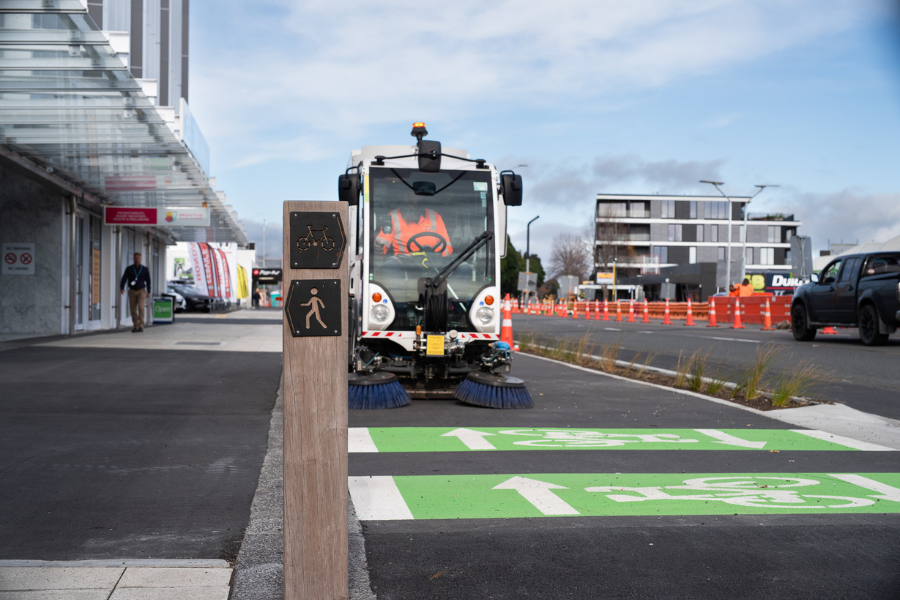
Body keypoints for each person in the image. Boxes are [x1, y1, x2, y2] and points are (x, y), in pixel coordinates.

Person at [375, 191, 453, 258]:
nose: (410, 197)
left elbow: (447, 246)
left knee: (464, 267)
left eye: (414, 194)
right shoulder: (392, 216)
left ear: (420, 197)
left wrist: (435, 257)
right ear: (401, 196)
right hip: (403, 262)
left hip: (433, 263)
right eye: (406, 193)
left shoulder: (435, 217)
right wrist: (378, 247)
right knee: (390, 265)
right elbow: (383, 240)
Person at [120, 252, 151, 332]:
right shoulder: (129, 269)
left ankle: (141, 325)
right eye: (135, 258)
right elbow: (124, 278)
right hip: (132, 291)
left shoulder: (144, 269)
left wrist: (149, 291)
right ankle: (135, 325)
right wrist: (122, 288)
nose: (136, 259)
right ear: (133, 259)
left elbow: (148, 281)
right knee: (133, 309)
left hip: (141, 291)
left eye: (138, 258)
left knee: (141, 308)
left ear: (140, 259)